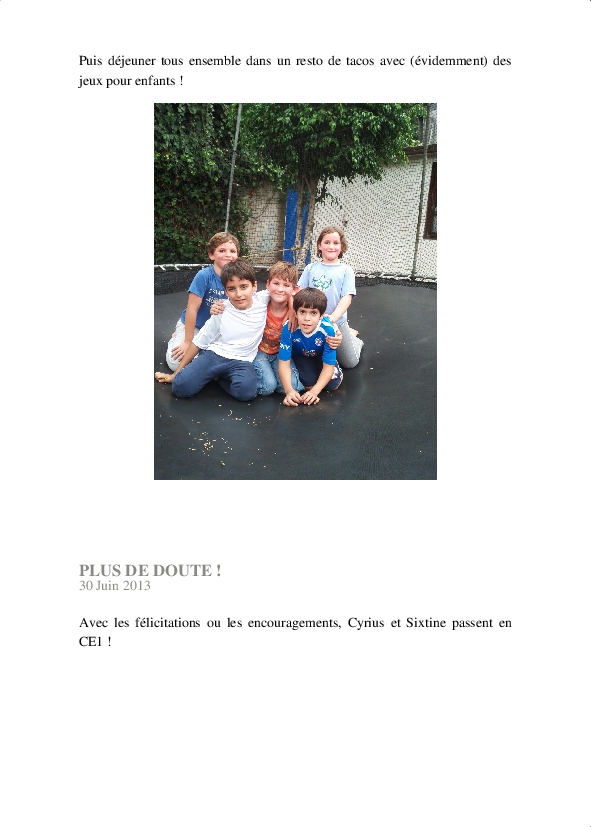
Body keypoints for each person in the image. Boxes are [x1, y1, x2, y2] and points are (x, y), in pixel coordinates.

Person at [154, 259, 270, 402]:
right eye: (231, 289)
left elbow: (287, 291)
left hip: (242, 360)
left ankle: (217, 378)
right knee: (180, 387)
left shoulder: (263, 300)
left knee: (247, 393)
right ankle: (203, 369)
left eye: (244, 287)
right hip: (214, 355)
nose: (238, 294)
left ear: (254, 286)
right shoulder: (221, 310)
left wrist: (290, 308)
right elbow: (199, 341)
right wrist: (176, 374)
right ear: (225, 291)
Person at [164, 232, 239, 371]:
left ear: (237, 256)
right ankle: (175, 338)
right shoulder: (204, 276)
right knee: (176, 364)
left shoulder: (238, 278)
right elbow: (192, 309)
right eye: (222, 250)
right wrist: (188, 341)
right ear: (211, 255)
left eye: (232, 251)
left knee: (210, 363)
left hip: (217, 330)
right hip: (195, 326)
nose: (228, 254)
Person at [298, 225, 363, 369]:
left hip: (336, 322)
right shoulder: (310, 268)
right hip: (311, 321)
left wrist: (333, 318)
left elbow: (347, 297)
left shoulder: (346, 271)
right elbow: (299, 293)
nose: (331, 246)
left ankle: (353, 339)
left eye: (336, 243)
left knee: (350, 362)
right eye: (327, 242)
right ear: (319, 245)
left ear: (342, 247)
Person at [277, 287, 343, 406]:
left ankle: (353, 338)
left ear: (321, 315)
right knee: (309, 385)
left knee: (333, 385)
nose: (307, 318)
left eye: (313, 313)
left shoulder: (328, 330)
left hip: (320, 354)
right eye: (302, 312)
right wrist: (289, 391)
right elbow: (283, 363)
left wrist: (314, 392)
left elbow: (328, 367)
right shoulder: (289, 328)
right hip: (301, 355)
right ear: (295, 313)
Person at [253, 261, 304, 396]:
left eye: (286, 285)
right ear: (268, 284)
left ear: (294, 289)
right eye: (276, 283)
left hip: (280, 353)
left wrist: (336, 331)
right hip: (258, 351)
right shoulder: (259, 303)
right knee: (268, 387)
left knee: (293, 387)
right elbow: (239, 301)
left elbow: (319, 315)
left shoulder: (297, 311)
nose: (280, 289)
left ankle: (271, 375)